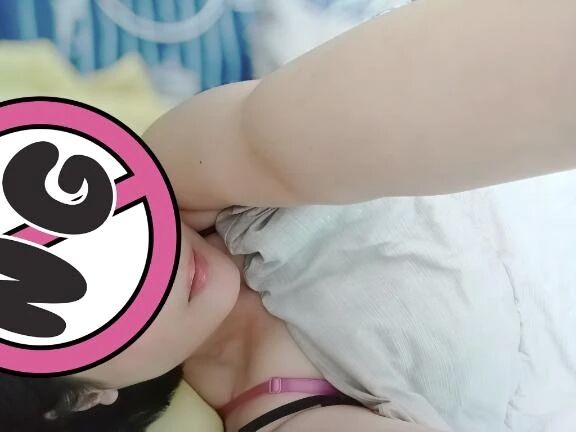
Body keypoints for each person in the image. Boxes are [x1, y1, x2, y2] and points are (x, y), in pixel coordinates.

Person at [1, 0, 575, 430]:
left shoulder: (182, 172)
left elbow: (335, 118)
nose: (160, 260)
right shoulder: (288, 414)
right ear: (81, 396)